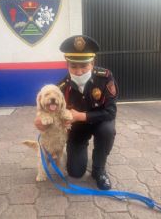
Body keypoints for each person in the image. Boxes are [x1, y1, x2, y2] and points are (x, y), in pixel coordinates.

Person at [35, 35, 118, 189]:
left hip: (101, 122)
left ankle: (99, 170)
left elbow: (111, 111)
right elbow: (49, 111)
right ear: (67, 65)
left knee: (107, 130)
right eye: (73, 66)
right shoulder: (61, 87)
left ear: (92, 63)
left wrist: (81, 115)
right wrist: (40, 121)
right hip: (78, 129)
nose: (79, 72)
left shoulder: (105, 77)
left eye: (84, 66)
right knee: (75, 172)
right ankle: (81, 154)